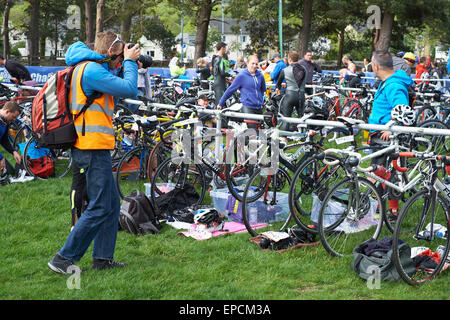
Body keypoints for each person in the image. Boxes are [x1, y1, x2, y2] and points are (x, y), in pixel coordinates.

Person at [47, 31, 140, 274]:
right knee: (100, 205)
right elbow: (130, 89)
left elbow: (114, 92)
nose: (120, 59)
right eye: (119, 54)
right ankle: (63, 258)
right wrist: (129, 63)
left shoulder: (91, 68)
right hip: (91, 148)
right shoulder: (91, 70)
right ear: (111, 51)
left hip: (94, 146)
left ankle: (102, 259)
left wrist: (124, 65)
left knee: (110, 203)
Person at [368, 50, 413, 223]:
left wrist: (392, 130)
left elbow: (403, 110)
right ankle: (382, 206)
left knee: (387, 174)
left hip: (385, 137)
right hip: (378, 134)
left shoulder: (393, 85)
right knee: (379, 172)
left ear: (376, 65)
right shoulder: (387, 82)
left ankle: (392, 211)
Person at [217, 54, 266, 129]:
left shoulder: (260, 75)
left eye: (256, 64)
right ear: (247, 63)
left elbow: (263, 89)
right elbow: (230, 90)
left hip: (259, 107)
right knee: (253, 132)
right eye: (252, 63)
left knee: (261, 130)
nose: (254, 66)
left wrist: (260, 99)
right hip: (248, 107)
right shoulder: (241, 76)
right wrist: (221, 103)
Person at [275, 51, 307, 131]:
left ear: (289, 59)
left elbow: (278, 83)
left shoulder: (285, 70)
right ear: (298, 59)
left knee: (286, 118)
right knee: (301, 118)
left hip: (290, 95)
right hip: (301, 95)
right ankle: (302, 138)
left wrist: (278, 89)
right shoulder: (304, 69)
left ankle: (284, 139)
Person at [0, 101, 22, 176]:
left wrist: (13, 151)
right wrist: (1, 158)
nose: (14, 120)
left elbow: (4, 140)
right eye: (13, 117)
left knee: (10, 172)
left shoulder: (5, 121)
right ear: (7, 111)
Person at [211, 41, 230, 106]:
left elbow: (214, 72)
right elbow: (222, 72)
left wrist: (225, 77)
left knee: (218, 103)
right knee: (220, 104)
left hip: (216, 81)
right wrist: (231, 75)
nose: (225, 50)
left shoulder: (214, 57)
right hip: (220, 84)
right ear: (222, 48)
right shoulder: (220, 59)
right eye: (225, 48)